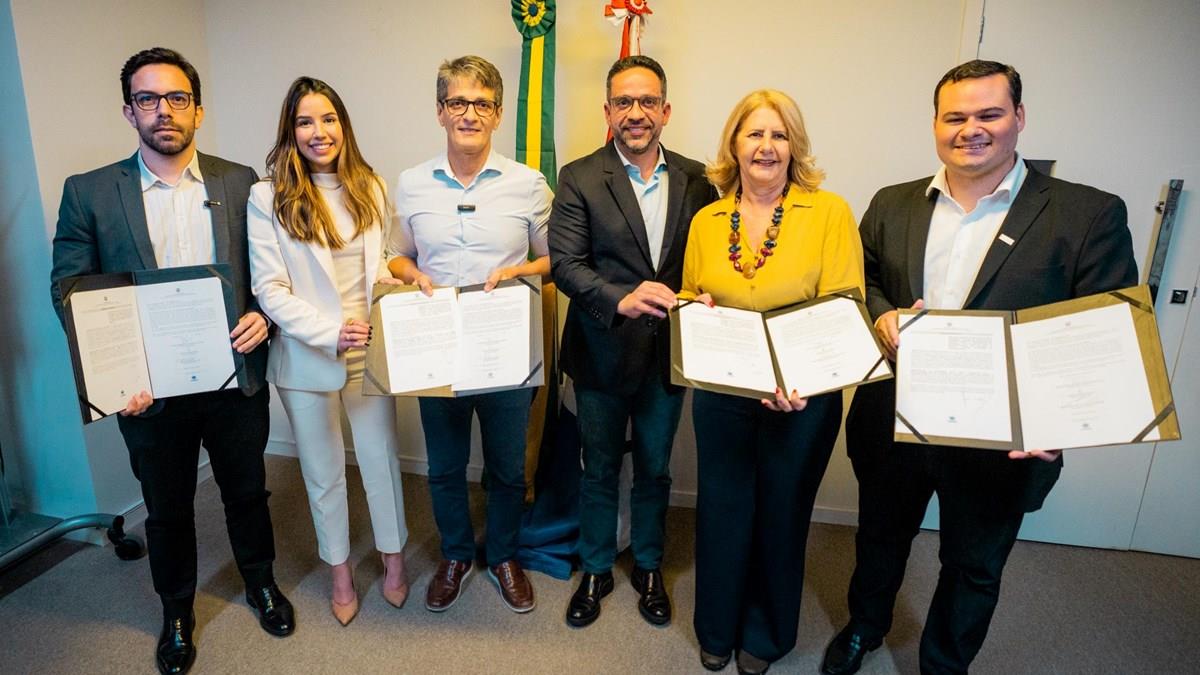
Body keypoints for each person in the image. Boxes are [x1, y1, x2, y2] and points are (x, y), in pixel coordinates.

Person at [820, 60, 1138, 675]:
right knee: (880, 538)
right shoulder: (892, 202)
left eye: (989, 114)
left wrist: (1061, 421)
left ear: (1020, 117)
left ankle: (944, 664)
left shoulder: (1087, 213)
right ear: (935, 124)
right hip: (895, 417)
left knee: (974, 564)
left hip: (1005, 436)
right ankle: (865, 627)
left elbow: (1104, 331)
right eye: (955, 117)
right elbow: (866, 282)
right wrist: (883, 315)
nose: (971, 129)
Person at [49, 47, 294, 675]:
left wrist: (264, 315)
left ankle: (261, 583)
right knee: (167, 507)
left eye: (177, 98)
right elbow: (70, 291)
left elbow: (272, 272)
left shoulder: (240, 182)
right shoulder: (89, 192)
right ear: (129, 111)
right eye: (148, 98)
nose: (164, 110)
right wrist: (114, 376)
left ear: (198, 110)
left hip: (234, 376)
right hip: (148, 390)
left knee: (247, 491)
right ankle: (177, 612)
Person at [679, 89, 864, 674]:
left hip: (802, 401)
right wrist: (696, 307)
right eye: (754, 133)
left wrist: (800, 379)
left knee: (782, 516)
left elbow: (845, 303)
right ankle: (716, 626)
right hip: (723, 395)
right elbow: (688, 294)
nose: (766, 146)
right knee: (722, 510)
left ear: (794, 145)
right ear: (734, 144)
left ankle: (765, 635)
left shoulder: (829, 212)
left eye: (779, 135)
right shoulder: (708, 220)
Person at [550, 55, 718, 629]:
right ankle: (596, 568)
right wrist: (618, 299)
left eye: (647, 101)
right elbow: (565, 264)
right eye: (624, 102)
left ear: (666, 111)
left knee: (654, 468)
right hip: (599, 351)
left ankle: (648, 566)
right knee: (598, 468)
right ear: (608, 111)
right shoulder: (579, 176)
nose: (636, 112)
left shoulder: (700, 179)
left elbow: (710, 259)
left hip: (667, 358)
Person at [386, 55, 551, 614]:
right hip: (437, 348)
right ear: (440, 111)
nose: (469, 114)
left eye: (482, 104)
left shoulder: (528, 184)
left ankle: (503, 555)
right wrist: (412, 275)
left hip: (504, 346)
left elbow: (556, 260)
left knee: (507, 467)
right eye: (458, 102)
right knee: (445, 466)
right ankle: (456, 555)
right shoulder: (412, 184)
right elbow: (396, 255)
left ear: (498, 114)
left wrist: (518, 270)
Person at [247, 77, 409, 626]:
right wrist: (329, 331)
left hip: (369, 347)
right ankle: (339, 571)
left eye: (328, 118)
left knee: (381, 460)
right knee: (323, 472)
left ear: (344, 125)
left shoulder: (371, 186)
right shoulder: (267, 197)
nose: (319, 131)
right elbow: (270, 289)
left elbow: (377, 262)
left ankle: (392, 559)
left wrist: (398, 282)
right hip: (305, 352)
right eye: (305, 121)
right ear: (290, 131)